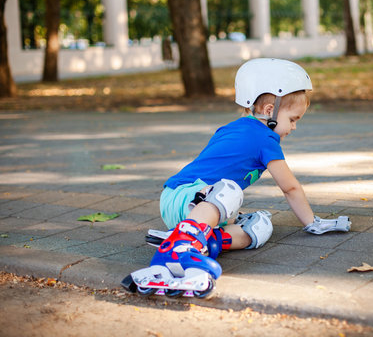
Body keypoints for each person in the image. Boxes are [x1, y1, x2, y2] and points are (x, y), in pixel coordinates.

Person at [124, 58, 350, 297]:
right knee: (230, 190)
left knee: (260, 225)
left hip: (189, 207)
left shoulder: (233, 127)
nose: (293, 127)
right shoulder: (264, 138)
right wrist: (312, 223)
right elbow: (290, 187)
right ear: (269, 111)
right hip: (187, 195)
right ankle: (178, 250)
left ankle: (202, 241)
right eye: (293, 119)